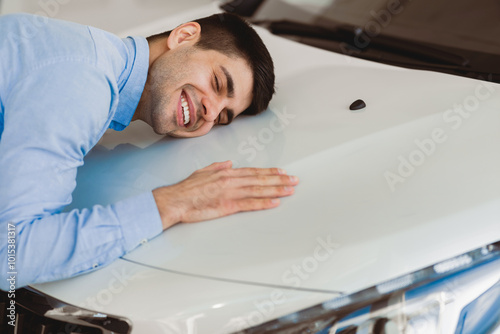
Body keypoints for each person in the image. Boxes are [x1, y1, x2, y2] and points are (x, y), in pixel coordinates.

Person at [0, 12, 299, 291]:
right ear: (183, 36)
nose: (210, 114)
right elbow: (9, 257)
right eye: (218, 83)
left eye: (222, 117)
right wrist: (172, 203)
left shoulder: (94, 58)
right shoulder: (84, 81)